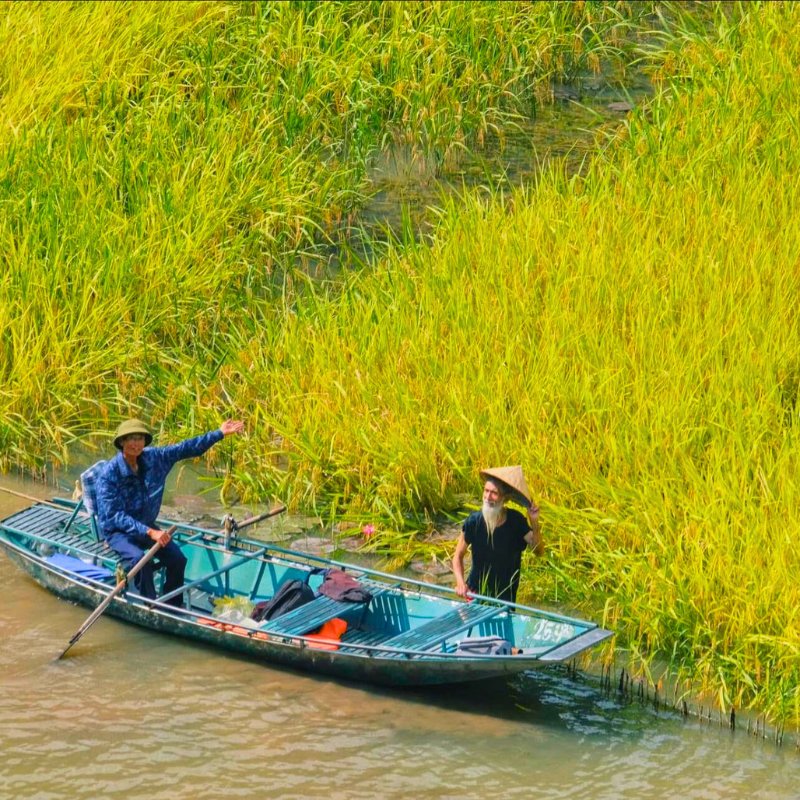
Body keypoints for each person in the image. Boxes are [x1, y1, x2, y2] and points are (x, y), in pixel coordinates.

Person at [95, 417, 244, 607]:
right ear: (122, 442)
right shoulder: (109, 475)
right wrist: (150, 532)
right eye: (130, 438)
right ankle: (149, 605)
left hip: (147, 525)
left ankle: (172, 605)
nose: (135, 443)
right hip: (118, 532)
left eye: (139, 438)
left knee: (178, 559)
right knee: (140, 561)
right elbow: (114, 515)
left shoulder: (154, 458)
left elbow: (186, 448)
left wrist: (219, 433)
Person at [452, 466, 544, 603]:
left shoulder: (516, 521)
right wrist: (460, 582)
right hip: (475, 594)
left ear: (504, 498)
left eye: (494, 493)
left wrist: (534, 522)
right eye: (486, 491)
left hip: (504, 597)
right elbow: (457, 556)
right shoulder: (474, 521)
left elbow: (538, 551)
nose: (488, 497)